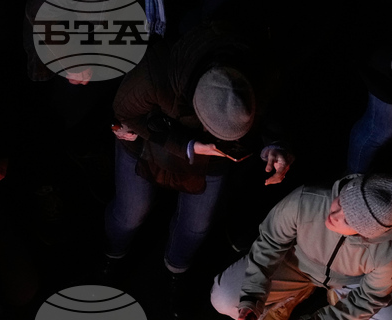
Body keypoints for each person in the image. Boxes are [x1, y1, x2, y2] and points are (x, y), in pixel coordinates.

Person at [106, 23, 292, 276]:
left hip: (212, 160)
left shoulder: (263, 71)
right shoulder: (157, 71)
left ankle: (176, 270)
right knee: (130, 214)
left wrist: (274, 145)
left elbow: (271, 113)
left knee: (197, 226)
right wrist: (188, 145)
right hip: (146, 144)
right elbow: (124, 112)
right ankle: (114, 254)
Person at [210, 173, 392, 320]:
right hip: (296, 263)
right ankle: (293, 295)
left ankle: (343, 311)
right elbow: (270, 243)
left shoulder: (388, 251)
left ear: (365, 234)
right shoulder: (306, 200)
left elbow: (371, 297)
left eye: (347, 219)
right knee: (223, 297)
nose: (333, 214)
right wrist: (252, 295)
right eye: (341, 202)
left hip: (352, 281)